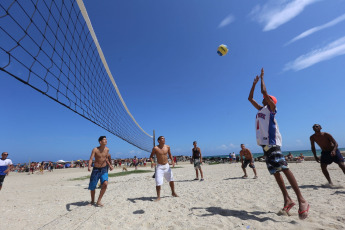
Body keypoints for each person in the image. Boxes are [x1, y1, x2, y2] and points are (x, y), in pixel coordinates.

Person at [248, 68, 309, 219]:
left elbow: (264, 91)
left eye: (267, 97)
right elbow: (250, 99)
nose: (264, 98)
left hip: (273, 143)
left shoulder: (272, 109)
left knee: (284, 168)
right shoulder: (262, 109)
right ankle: (287, 199)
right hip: (264, 145)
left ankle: (302, 200)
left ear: (271, 101)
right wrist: (253, 84)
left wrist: (262, 78)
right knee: (275, 172)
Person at [150, 136, 178, 201]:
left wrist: (172, 160)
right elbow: (151, 156)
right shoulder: (155, 148)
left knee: (171, 180)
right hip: (159, 166)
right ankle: (158, 197)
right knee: (158, 182)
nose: (164, 139)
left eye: (164, 138)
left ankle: (173, 192)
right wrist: (152, 162)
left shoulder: (167, 147)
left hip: (167, 165)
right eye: (162, 139)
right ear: (159, 141)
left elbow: (170, 154)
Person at [88, 136, 114, 207]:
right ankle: (92, 201)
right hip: (96, 169)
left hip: (104, 169)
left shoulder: (107, 149)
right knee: (92, 187)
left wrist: (110, 166)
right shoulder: (95, 149)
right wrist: (89, 166)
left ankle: (99, 201)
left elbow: (106, 159)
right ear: (100, 142)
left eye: (106, 139)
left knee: (105, 184)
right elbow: (91, 159)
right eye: (104, 140)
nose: (106, 141)